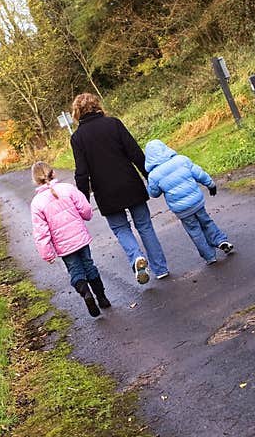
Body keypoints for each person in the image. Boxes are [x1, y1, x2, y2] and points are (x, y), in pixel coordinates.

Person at [69, 92, 169, 284]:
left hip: (105, 192)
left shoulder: (77, 138)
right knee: (145, 226)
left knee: (121, 229)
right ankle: (160, 268)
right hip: (130, 184)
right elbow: (135, 153)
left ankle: (136, 257)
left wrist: (83, 202)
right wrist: (150, 177)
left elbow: (82, 172)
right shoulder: (114, 123)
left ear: (77, 112)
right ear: (97, 106)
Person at [30, 161, 110, 318]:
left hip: (64, 246)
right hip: (80, 238)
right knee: (89, 265)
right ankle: (102, 298)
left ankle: (86, 293)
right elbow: (85, 209)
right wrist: (86, 216)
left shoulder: (37, 203)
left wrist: (47, 254)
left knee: (75, 271)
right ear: (53, 173)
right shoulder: (68, 189)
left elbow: (41, 232)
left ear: (35, 180)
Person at [144, 139, 234, 265]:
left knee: (195, 231)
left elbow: (154, 193)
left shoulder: (154, 175)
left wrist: (151, 184)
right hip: (196, 202)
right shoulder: (181, 160)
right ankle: (220, 240)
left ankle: (209, 256)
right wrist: (210, 184)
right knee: (207, 222)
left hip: (182, 210)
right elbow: (199, 174)